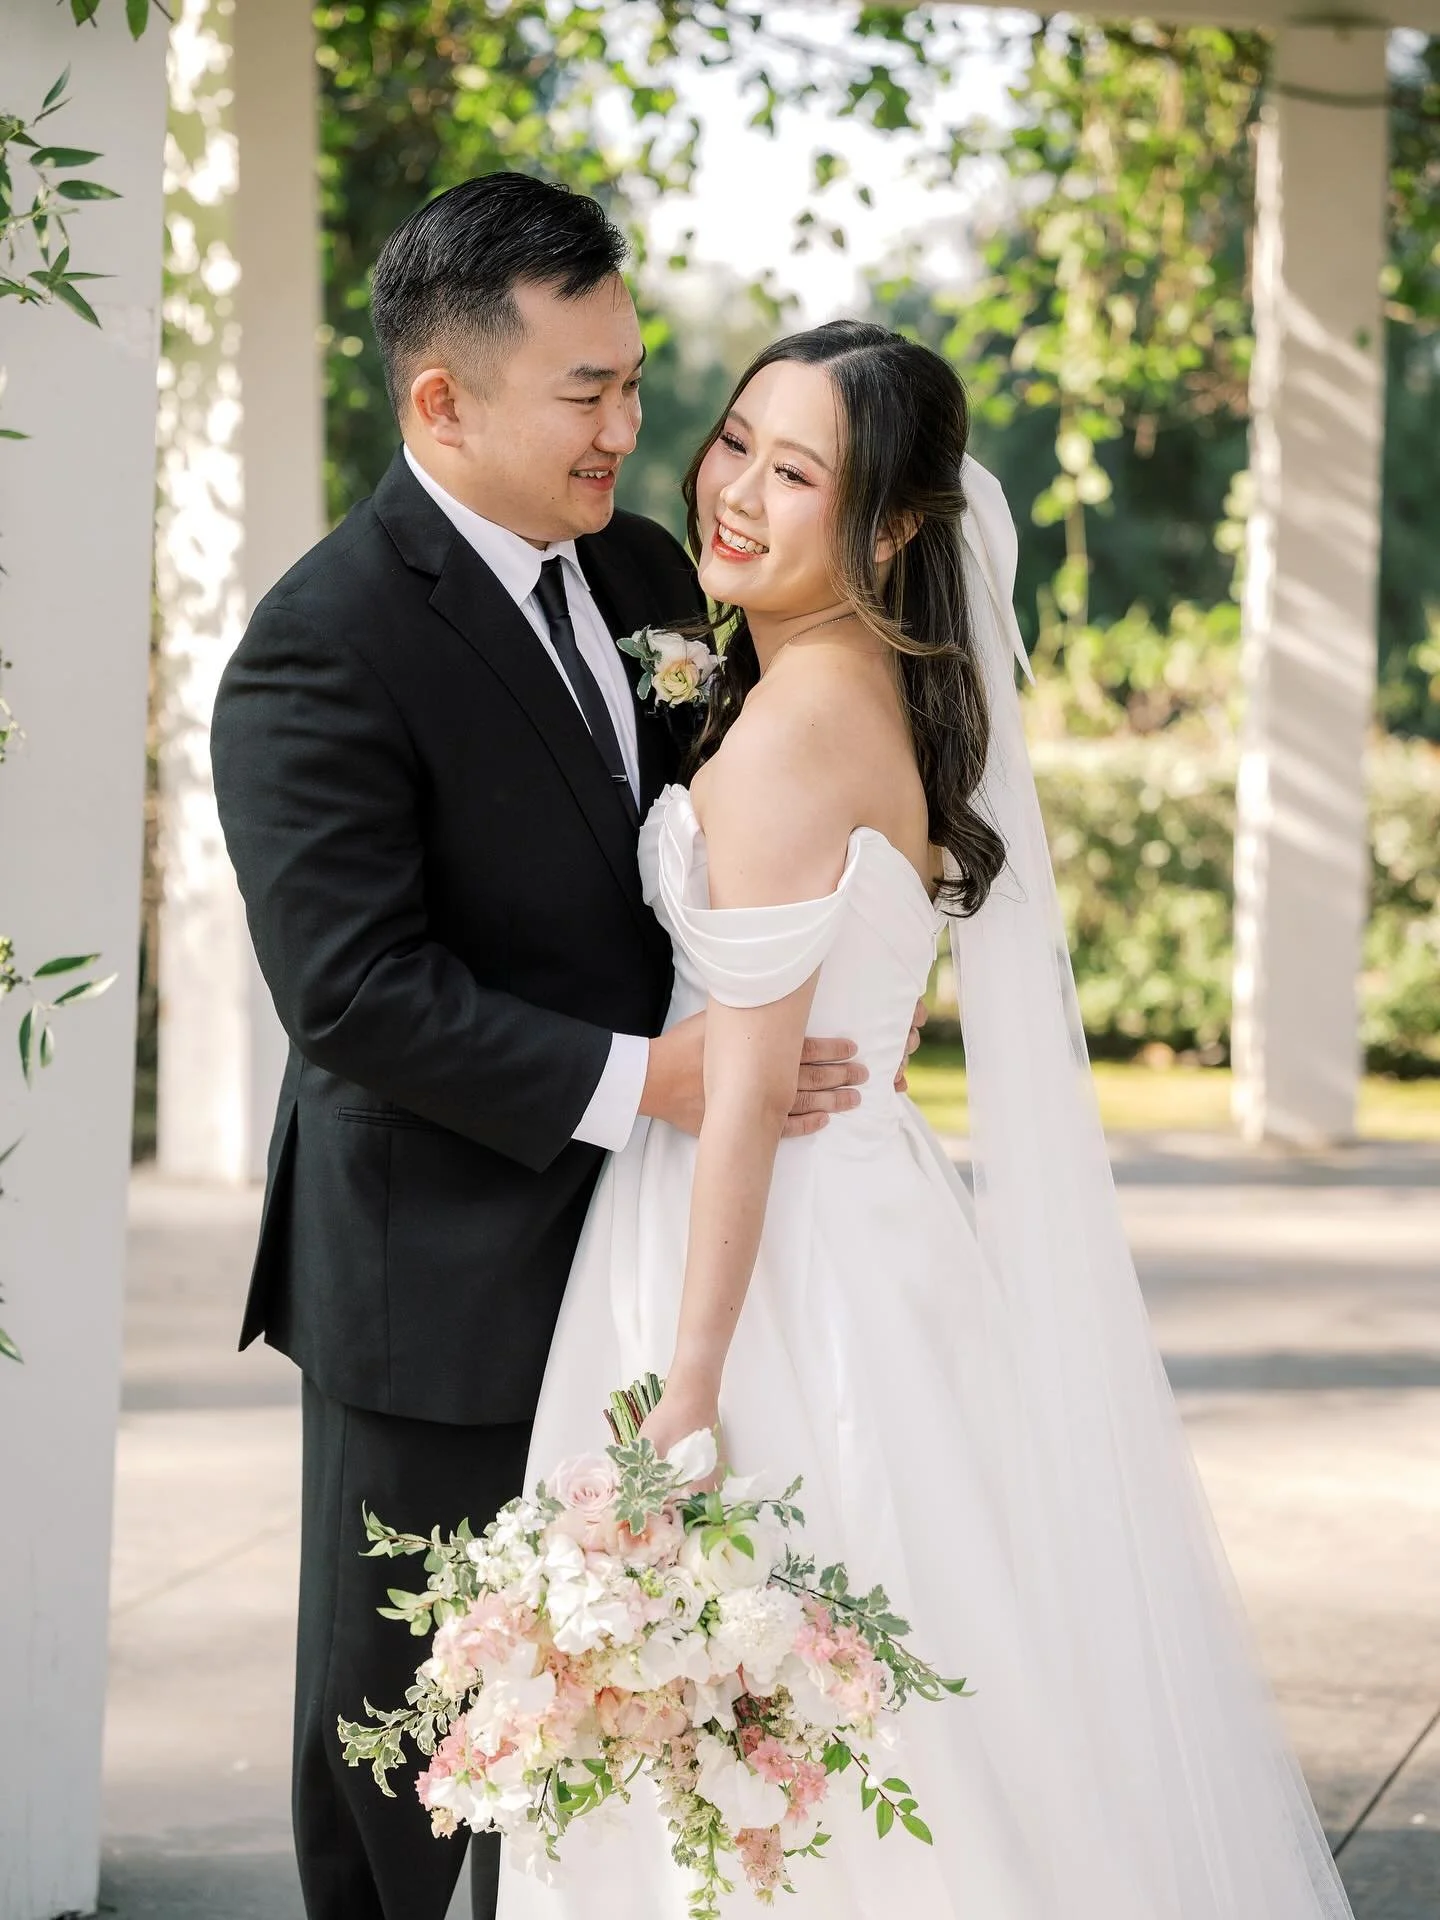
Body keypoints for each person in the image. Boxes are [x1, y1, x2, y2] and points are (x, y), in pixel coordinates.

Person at [502, 321, 1357, 1919]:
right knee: (925, 1672)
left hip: (756, 1259)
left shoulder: (785, 740)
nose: (738, 492)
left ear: (893, 525)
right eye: (737, 440)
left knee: (774, 1721)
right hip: (879, 1211)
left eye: (799, 470)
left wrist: (686, 1394)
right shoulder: (872, 695)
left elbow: (747, 1099)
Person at [209, 176, 900, 1920]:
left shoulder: (655, 573)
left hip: (664, 1247)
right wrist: (660, 1080)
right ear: (443, 400)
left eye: (635, 379)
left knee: (639, 1718)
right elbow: (355, 993)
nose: (631, 429)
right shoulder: (318, 647)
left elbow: (735, 841)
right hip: (434, 1264)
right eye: (586, 390)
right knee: (408, 1735)